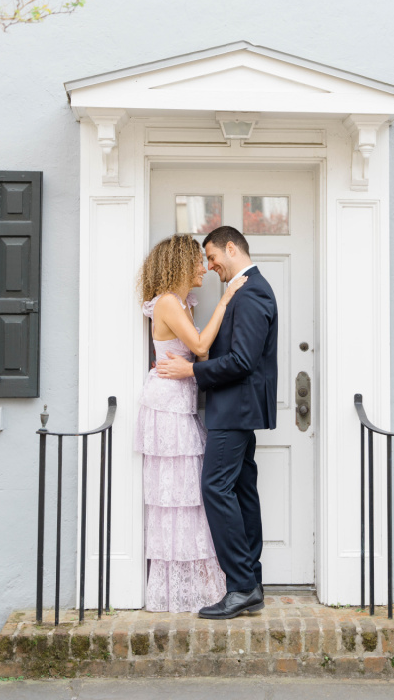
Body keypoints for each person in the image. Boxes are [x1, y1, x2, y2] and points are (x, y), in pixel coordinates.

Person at [156, 226, 278, 620]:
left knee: (215, 487)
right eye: (204, 261)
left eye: (212, 258)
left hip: (236, 410)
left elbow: (242, 361)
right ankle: (251, 582)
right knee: (241, 492)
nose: (209, 267)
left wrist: (191, 372)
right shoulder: (244, 291)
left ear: (231, 248)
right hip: (235, 410)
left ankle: (242, 586)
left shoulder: (253, 291)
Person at [134, 233, 247, 613]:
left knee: (188, 496)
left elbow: (193, 356)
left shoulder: (182, 302)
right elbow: (199, 346)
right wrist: (227, 299)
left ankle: (195, 583)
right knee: (177, 496)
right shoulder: (167, 302)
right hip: (167, 407)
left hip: (181, 401)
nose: (204, 268)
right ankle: (175, 589)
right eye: (198, 262)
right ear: (181, 265)